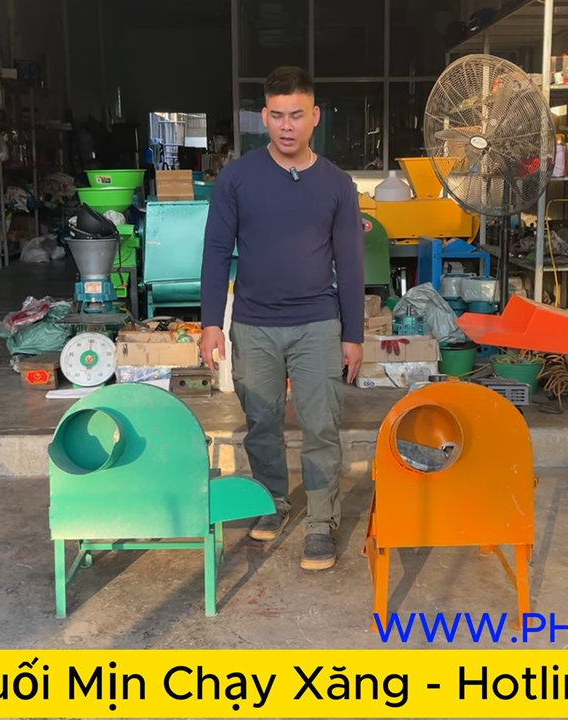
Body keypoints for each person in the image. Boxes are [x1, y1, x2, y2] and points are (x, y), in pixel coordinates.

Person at [199, 66, 365, 571]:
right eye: (276, 115)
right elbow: (215, 251)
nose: (287, 126)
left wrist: (353, 335)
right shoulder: (237, 178)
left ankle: (321, 523)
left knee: (321, 427)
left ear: (315, 116)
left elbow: (351, 264)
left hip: (318, 323)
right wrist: (211, 323)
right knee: (261, 423)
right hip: (252, 323)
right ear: (263, 117)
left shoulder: (337, 184)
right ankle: (272, 501)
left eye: (296, 115)